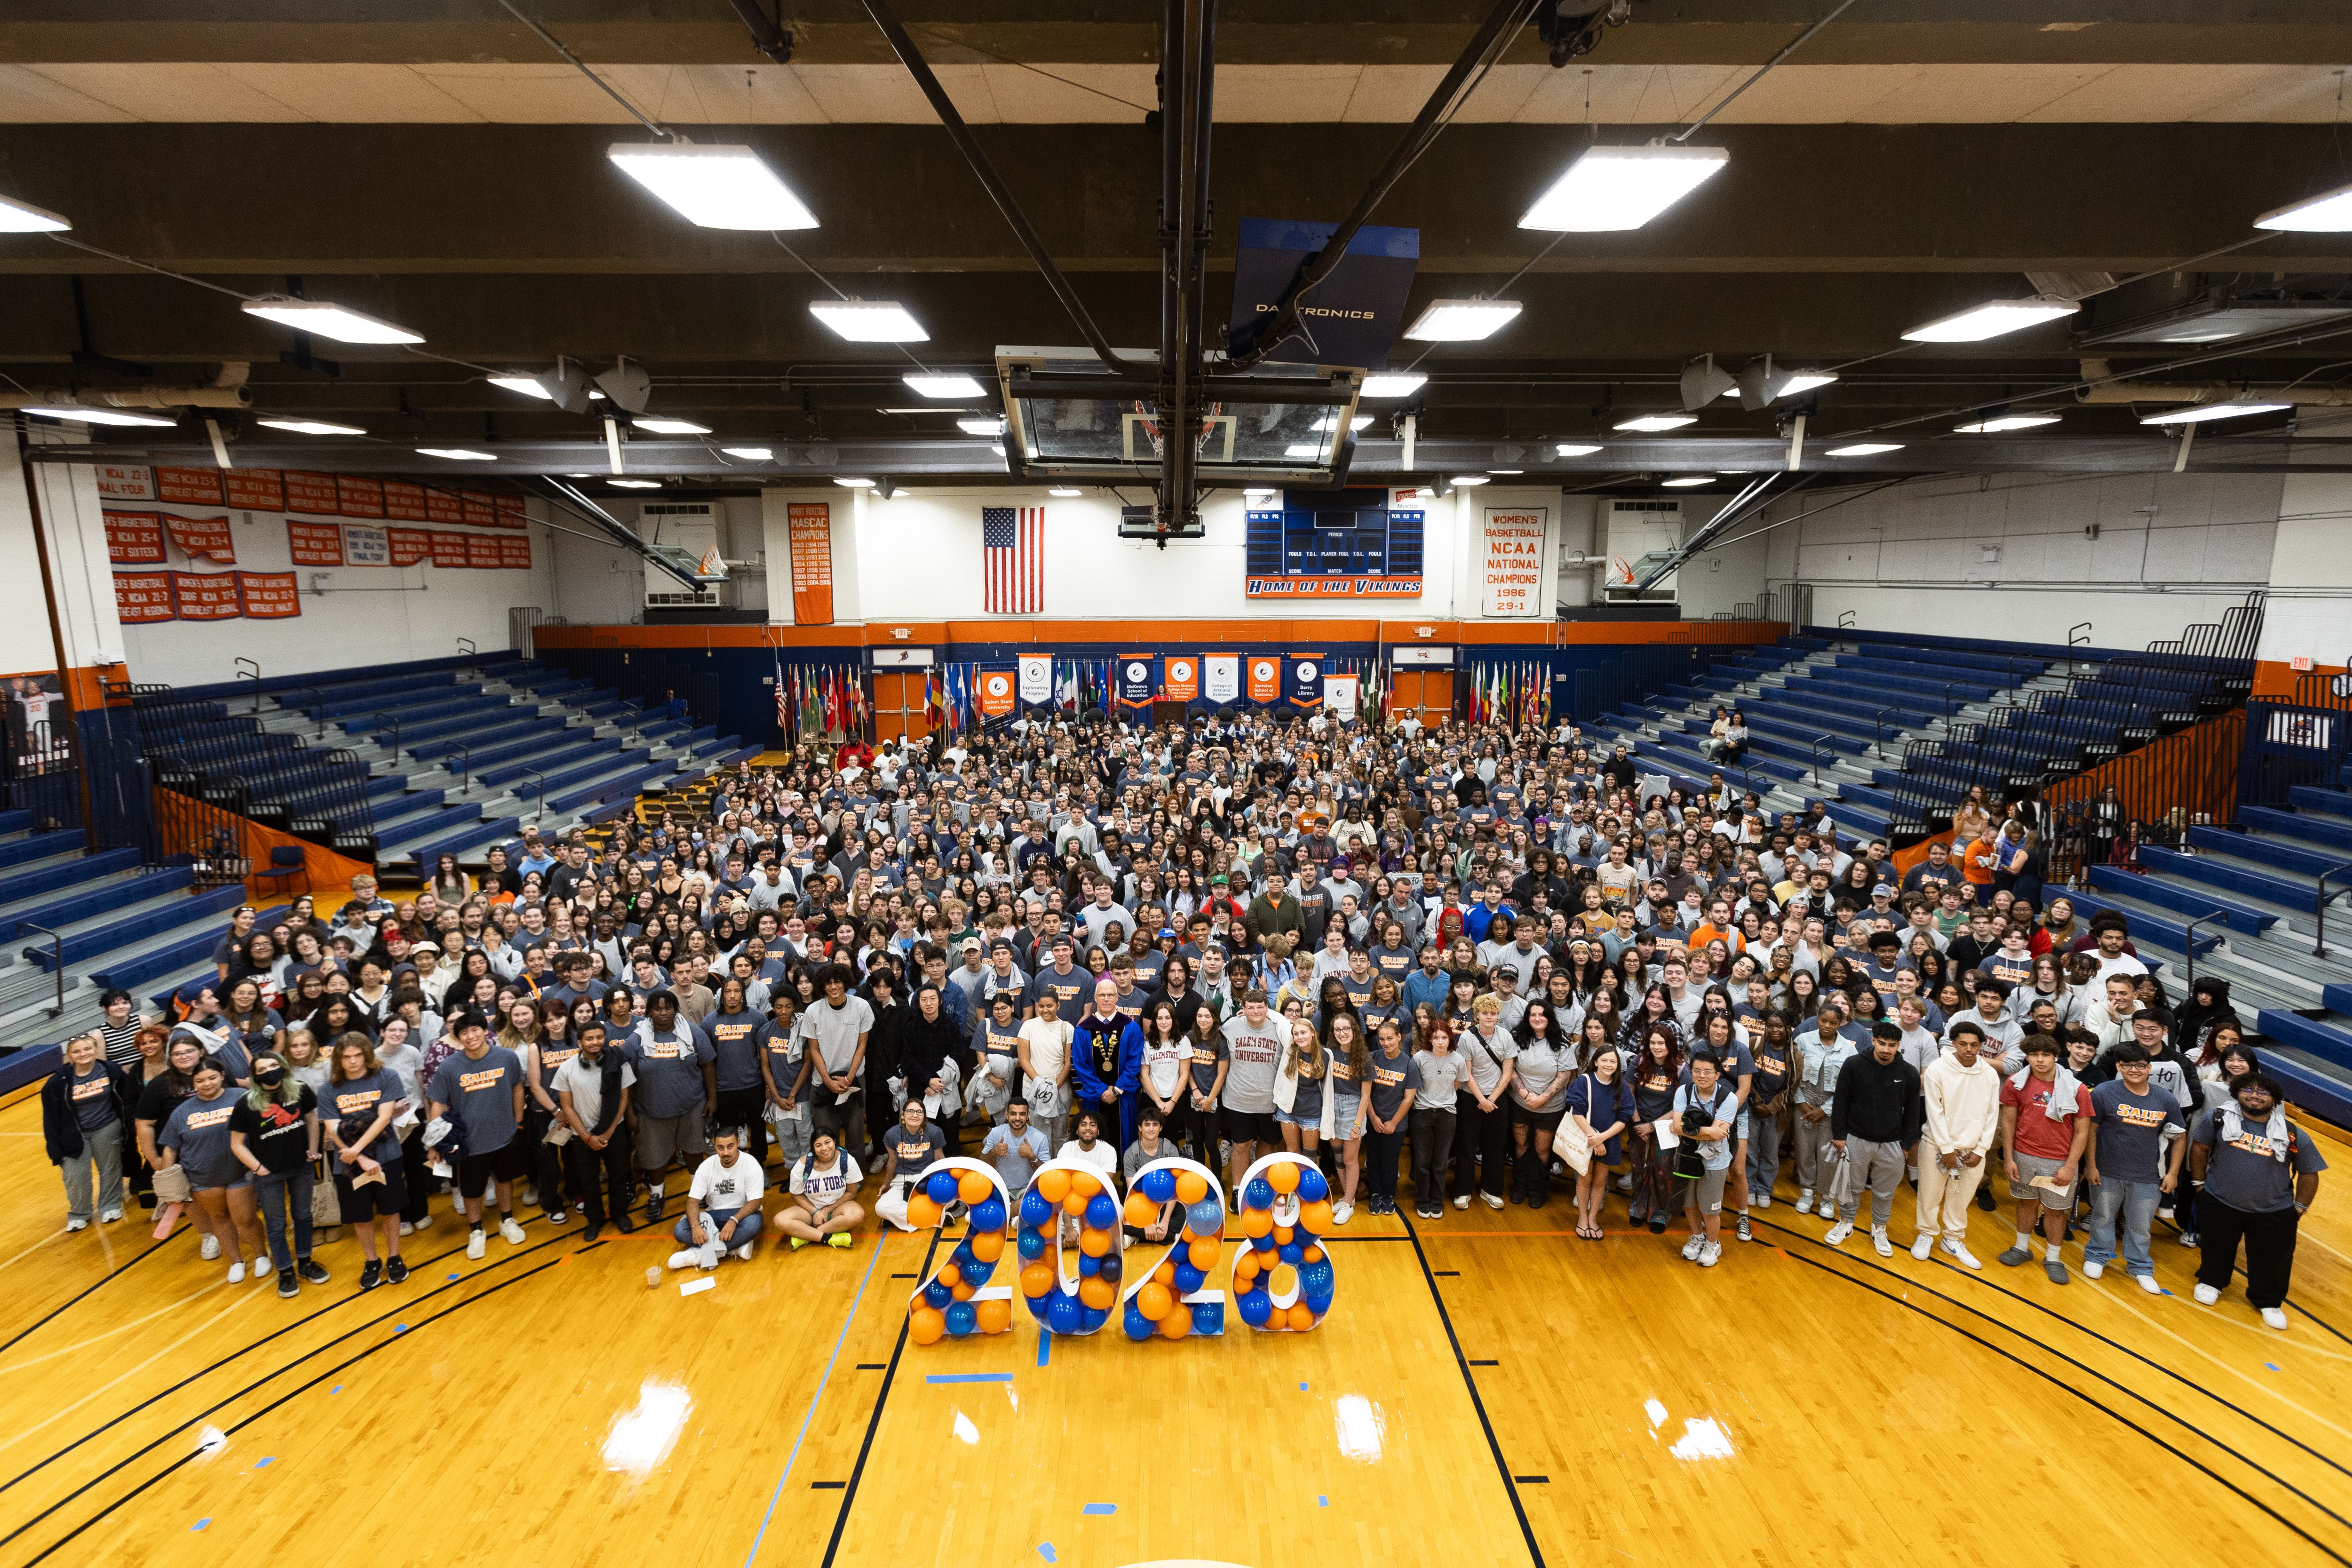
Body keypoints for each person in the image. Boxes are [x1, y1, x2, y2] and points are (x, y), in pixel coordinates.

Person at [2190, 1073, 2325, 1329]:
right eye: (2248, 1090)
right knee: (2216, 1247)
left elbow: (2309, 1172)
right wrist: (2199, 1185)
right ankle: (2211, 1282)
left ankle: (2269, 1302)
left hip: (2274, 1210)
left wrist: (2299, 1208)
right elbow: (2200, 1147)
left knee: (2273, 1258)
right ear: (2237, 1093)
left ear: (2275, 1100)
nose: (2254, 1095)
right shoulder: (2217, 1119)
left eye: (2262, 1092)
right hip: (2221, 1201)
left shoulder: (2292, 1133)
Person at [2081, 1041, 2186, 1293]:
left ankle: (2140, 1267)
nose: (2135, 1070)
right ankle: (2097, 1256)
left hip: (2149, 1175)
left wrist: (2172, 1173)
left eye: (2140, 1065)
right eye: (2127, 1065)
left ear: (2149, 1068)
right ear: (2119, 1067)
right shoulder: (2104, 1093)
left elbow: (2180, 1136)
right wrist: (2091, 1165)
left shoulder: (2165, 1099)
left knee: (2140, 1225)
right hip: (2107, 1171)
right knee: (2103, 1217)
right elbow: (2091, 1131)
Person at [227, 1046, 332, 1297]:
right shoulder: (246, 1104)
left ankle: (305, 1263)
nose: (269, 1072)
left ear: (283, 1067)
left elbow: (311, 1119)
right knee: (276, 1223)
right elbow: (236, 1144)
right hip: (268, 1174)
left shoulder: (301, 1090)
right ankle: (285, 1271)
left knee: (304, 1216)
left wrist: (312, 1150)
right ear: (255, 1076)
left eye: (273, 1067)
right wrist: (258, 1168)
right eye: (262, 1070)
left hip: (301, 1167)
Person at [426, 1012, 530, 1261]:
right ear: (458, 1037)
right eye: (464, 1033)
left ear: (486, 1031)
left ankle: (507, 1220)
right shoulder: (450, 1067)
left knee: (505, 1180)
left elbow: (517, 1087)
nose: (470, 1037)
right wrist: (434, 1142)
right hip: (469, 1141)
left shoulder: (506, 1057)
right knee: (471, 1191)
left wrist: (518, 1123)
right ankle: (476, 1231)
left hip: (505, 1134)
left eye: (475, 1030)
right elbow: (437, 1104)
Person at [157, 1055, 266, 1283]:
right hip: (202, 1177)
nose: (207, 1084)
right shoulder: (181, 1112)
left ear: (223, 1076)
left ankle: (261, 1254)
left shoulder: (242, 1097)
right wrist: (166, 1183)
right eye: (200, 1081)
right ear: (193, 1083)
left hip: (239, 1171)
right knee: (219, 1218)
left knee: (245, 1218)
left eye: (212, 1078)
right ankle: (236, 1261)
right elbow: (170, 1148)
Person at [1825, 1021, 1923, 1257]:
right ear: (1873, 1041)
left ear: (1899, 1045)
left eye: (1892, 1045)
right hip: (1856, 1138)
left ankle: (1879, 1228)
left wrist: (1908, 1145)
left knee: (1885, 1191)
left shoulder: (1909, 1073)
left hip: (1893, 1143)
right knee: (1852, 1186)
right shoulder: (1854, 1064)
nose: (1886, 1049)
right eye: (1882, 1043)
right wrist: (1839, 1136)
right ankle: (1846, 1223)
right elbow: (1841, 1102)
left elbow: (1913, 1111)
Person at [1998, 1033, 2090, 1284]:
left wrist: (2070, 1167)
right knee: (2026, 1204)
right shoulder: (2016, 1083)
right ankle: (2021, 1248)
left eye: (2045, 1055)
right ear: (2026, 1056)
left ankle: (2053, 1258)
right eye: (2033, 1055)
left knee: (2054, 1212)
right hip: (2023, 1156)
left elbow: (2083, 1131)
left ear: (2056, 1056)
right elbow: (2008, 1121)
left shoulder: (2077, 1089)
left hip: (2058, 1161)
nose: (2039, 1060)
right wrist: (2009, 1158)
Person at [622, 989, 717, 1224]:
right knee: (655, 1159)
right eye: (658, 1009)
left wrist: (713, 1099)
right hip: (652, 1111)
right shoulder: (636, 1039)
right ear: (650, 1012)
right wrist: (630, 1112)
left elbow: (707, 1066)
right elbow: (626, 1078)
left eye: (668, 1008)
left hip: (692, 1106)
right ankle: (657, 1195)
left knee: (695, 1150)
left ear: (675, 1009)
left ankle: (698, 1191)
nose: (663, 1013)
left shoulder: (693, 1033)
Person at [1910, 1019, 1998, 1268]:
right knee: (1929, 1194)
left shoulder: (1990, 1074)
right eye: (1963, 1044)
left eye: (1974, 1045)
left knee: (1961, 1199)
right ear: (1954, 1044)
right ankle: (1926, 1234)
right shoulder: (1938, 1069)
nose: (1968, 1049)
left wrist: (1981, 1150)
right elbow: (1934, 1111)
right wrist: (1947, 1149)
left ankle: (1953, 1240)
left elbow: (1992, 1115)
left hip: (1972, 1150)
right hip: (1936, 1146)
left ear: (1982, 1045)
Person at [553, 1020, 637, 1242]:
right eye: (589, 1039)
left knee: (618, 1175)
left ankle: (620, 1213)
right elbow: (567, 1107)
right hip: (582, 1136)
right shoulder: (566, 1069)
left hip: (614, 1131)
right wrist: (587, 1137)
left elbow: (624, 1098)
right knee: (588, 1179)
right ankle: (595, 1219)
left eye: (599, 1037)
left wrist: (609, 1132)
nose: (595, 1042)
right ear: (579, 1042)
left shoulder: (619, 1062)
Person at [42, 1033, 131, 1230]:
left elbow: (126, 1097)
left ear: (96, 1050)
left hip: (107, 1126)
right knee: (75, 1175)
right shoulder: (57, 1082)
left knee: (110, 1169)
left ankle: (110, 1206)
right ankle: (79, 1213)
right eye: (77, 1051)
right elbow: (50, 1116)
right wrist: (54, 1146)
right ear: (69, 1056)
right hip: (72, 1134)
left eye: (88, 1049)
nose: (83, 1054)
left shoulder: (111, 1070)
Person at [1452, 994, 1519, 1210]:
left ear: (1498, 1016)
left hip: (1497, 1100)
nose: (1489, 1017)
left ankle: (1491, 1190)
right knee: (1466, 1147)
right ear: (1477, 1014)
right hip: (1471, 1099)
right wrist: (1482, 1100)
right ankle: (1462, 1191)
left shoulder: (1506, 1037)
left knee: (1495, 1148)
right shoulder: (1467, 1038)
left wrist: (1492, 1099)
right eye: (1485, 1013)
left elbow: (1508, 1071)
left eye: (1493, 1013)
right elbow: (1467, 1074)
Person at [1672, 1051, 1738, 1267]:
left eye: (1708, 1072)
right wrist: (1708, 1129)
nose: (1702, 1076)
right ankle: (1697, 1237)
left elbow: (1716, 1135)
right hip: (1688, 1156)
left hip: (1715, 1161)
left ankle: (1712, 1243)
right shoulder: (1684, 1091)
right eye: (1697, 1071)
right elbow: (1677, 1127)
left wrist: (1687, 1130)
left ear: (1718, 1075)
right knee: (1689, 1204)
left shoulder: (1729, 1098)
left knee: (1710, 1209)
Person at [1219, 990, 1285, 1205]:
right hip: (1238, 1101)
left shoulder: (1280, 1029)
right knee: (1241, 1146)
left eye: (1260, 1007)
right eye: (1251, 1007)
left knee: (1267, 1144)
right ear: (1243, 1009)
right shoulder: (1231, 1026)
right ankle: (1238, 1188)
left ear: (1268, 1009)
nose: (1256, 1011)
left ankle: (1262, 1185)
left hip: (1269, 1102)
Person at [668, 1125, 765, 1268]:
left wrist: (733, 1221)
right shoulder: (707, 1166)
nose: (726, 1152)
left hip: (742, 1214)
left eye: (730, 1147)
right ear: (714, 1146)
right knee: (680, 1230)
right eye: (720, 1148)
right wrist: (695, 1226)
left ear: (738, 1143)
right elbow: (692, 1202)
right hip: (712, 1215)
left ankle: (701, 1254)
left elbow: (755, 1203)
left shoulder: (751, 1164)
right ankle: (733, 1249)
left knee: (754, 1224)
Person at [1564, 1044, 1634, 1241]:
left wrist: (1602, 1138)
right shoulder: (1583, 1082)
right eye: (1604, 1060)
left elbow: (1624, 1117)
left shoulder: (1622, 1087)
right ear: (1596, 1062)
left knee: (1601, 1181)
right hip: (1586, 1140)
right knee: (1585, 1179)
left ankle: (1593, 1218)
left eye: (1613, 1061)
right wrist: (1594, 1140)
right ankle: (1583, 1218)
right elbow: (1577, 1113)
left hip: (1608, 1141)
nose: (1609, 1064)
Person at [1073, 977, 1144, 1150]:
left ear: (1117, 997)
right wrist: (1102, 1090)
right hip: (1095, 1096)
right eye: (1102, 995)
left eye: (1110, 995)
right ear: (1095, 998)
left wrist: (1117, 1090)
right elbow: (1081, 1064)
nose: (1106, 999)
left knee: (1125, 1140)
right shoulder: (1083, 1029)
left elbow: (1135, 1063)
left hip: (1123, 1095)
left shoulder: (1131, 1027)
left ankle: (1125, 1174)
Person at [1364, 1016, 1420, 1217]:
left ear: (1399, 1038)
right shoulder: (1372, 1058)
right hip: (1374, 1121)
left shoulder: (1409, 1064)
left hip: (1397, 1124)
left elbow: (1408, 1099)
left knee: (1390, 1161)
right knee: (1373, 1160)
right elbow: (1366, 1094)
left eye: (1390, 1039)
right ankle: (1376, 1194)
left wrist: (1393, 1123)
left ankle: (1388, 1195)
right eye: (1382, 1039)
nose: (1386, 1043)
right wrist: (1374, 1118)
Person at [779, 1130, 866, 1250]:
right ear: (813, 1148)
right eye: (818, 1145)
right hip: (810, 1210)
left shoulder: (847, 1160)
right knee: (780, 1220)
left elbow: (851, 1192)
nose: (824, 1148)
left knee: (857, 1214)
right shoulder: (803, 1165)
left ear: (835, 1142)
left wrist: (826, 1211)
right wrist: (815, 1212)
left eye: (827, 1142)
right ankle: (830, 1238)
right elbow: (796, 1195)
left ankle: (806, 1236)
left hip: (837, 1208)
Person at [874, 1099, 949, 1232]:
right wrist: (886, 1184)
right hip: (902, 1181)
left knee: (950, 1198)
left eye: (920, 1112)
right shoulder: (891, 1135)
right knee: (881, 1207)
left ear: (924, 1116)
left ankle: (904, 1219)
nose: (915, 1115)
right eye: (911, 1111)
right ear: (903, 1115)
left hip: (928, 1178)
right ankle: (933, 1218)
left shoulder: (935, 1132)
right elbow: (892, 1161)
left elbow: (939, 1158)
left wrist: (946, 1183)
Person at [981, 1099, 1051, 1195]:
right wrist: (994, 1152)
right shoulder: (995, 1133)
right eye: (1013, 1114)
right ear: (1007, 1115)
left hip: (1028, 1189)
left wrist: (1032, 1157)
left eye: (1022, 1114)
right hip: (1000, 1188)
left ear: (1028, 1116)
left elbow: (1046, 1175)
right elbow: (982, 1165)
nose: (1017, 1118)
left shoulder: (1040, 1138)